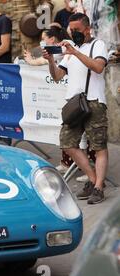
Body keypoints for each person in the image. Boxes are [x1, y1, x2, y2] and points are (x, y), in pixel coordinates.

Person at [44, 13, 109, 204]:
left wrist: (76, 53)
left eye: (78, 30)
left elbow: (98, 67)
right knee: (67, 142)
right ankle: (93, 179)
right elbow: (57, 76)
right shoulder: (70, 50)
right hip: (74, 103)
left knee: (98, 147)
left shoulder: (98, 45)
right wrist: (50, 60)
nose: (74, 33)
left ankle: (98, 187)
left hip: (94, 101)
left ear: (88, 28)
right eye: (72, 30)